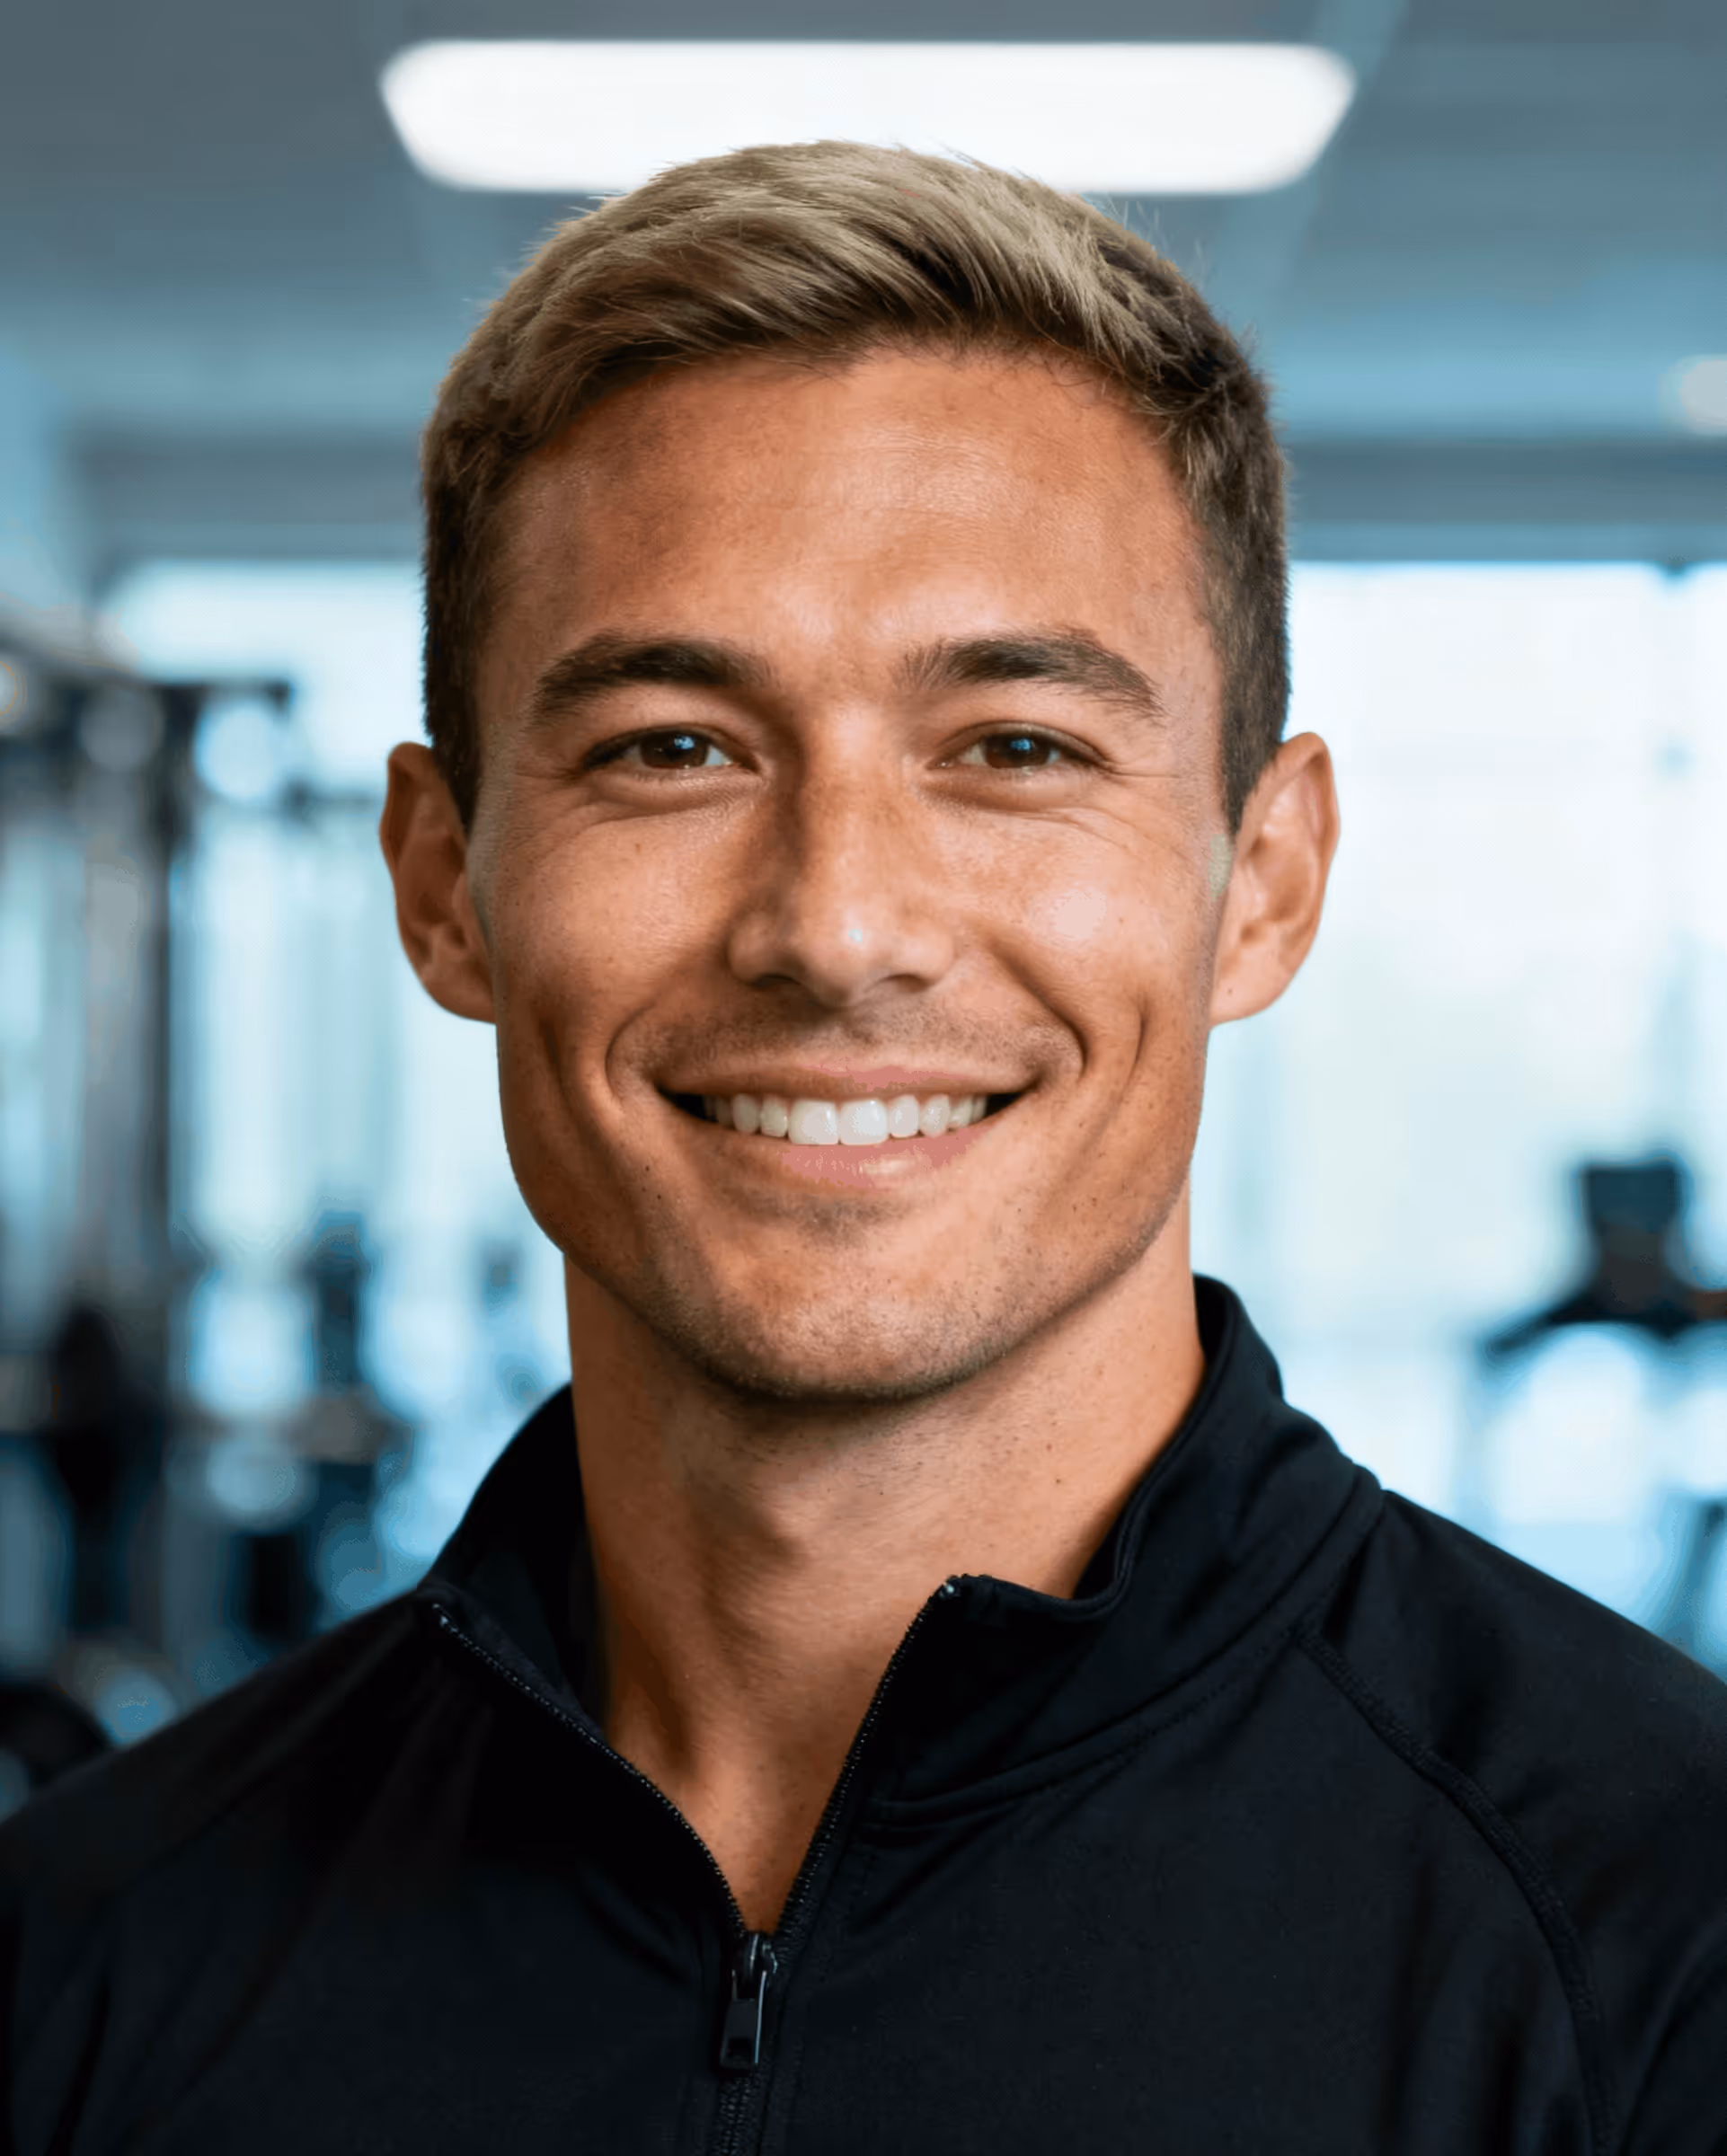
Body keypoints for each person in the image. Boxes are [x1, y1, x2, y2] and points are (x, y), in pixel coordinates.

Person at [4, 141, 1725, 2155]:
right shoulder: (84, 1970)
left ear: (1260, 883)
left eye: (1014, 749)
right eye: (671, 749)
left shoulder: (1659, 1953)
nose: (835, 928)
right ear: (444, 885)